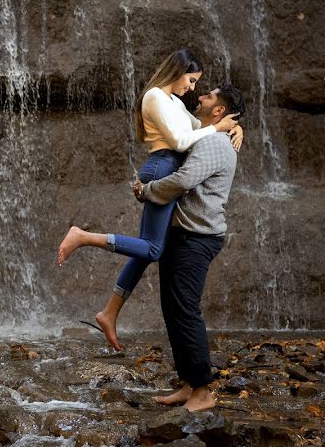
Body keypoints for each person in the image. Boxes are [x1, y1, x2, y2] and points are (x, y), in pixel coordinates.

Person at [56, 49, 241, 351]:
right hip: (162, 166)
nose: (193, 89)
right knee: (154, 248)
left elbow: (200, 129)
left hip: (168, 165)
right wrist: (217, 127)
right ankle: (83, 236)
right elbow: (183, 142)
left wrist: (234, 127)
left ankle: (109, 312)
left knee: (146, 249)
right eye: (191, 80)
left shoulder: (176, 102)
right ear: (178, 72)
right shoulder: (154, 95)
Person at [132, 83, 245, 412]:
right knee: (173, 307)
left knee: (185, 310)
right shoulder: (209, 134)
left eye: (209, 95)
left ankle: (203, 392)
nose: (200, 96)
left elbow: (182, 181)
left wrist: (147, 190)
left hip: (198, 236)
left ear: (219, 111)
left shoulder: (213, 143)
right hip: (184, 234)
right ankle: (188, 383)